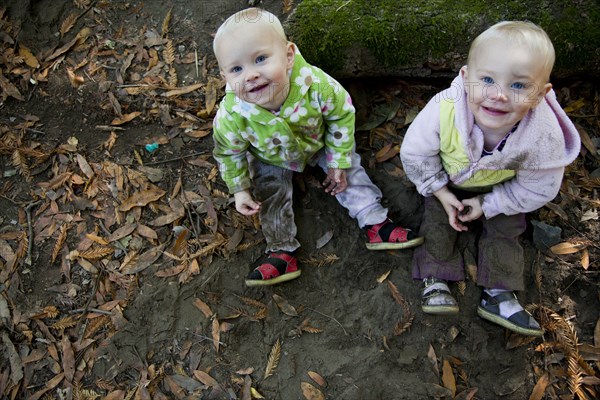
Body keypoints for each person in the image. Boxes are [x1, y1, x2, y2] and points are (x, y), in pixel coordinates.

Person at [212, 8, 423, 287]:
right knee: (270, 194)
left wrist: (337, 160)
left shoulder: (314, 84)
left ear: (288, 56)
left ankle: (375, 222)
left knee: (349, 171)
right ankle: (281, 251)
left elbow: (341, 113)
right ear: (224, 74)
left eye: (261, 59)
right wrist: (239, 188)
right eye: (237, 69)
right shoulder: (231, 114)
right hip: (270, 156)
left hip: (317, 142)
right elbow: (229, 151)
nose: (250, 75)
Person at [400, 21, 580, 336]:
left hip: (502, 187)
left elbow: (540, 186)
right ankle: (436, 275)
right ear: (466, 78)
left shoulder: (541, 135)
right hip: (447, 180)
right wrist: (440, 191)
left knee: (509, 228)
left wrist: (489, 203)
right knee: (437, 219)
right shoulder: (445, 109)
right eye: (487, 79)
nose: (498, 95)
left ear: (541, 94)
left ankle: (499, 293)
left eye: (519, 85)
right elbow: (416, 153)